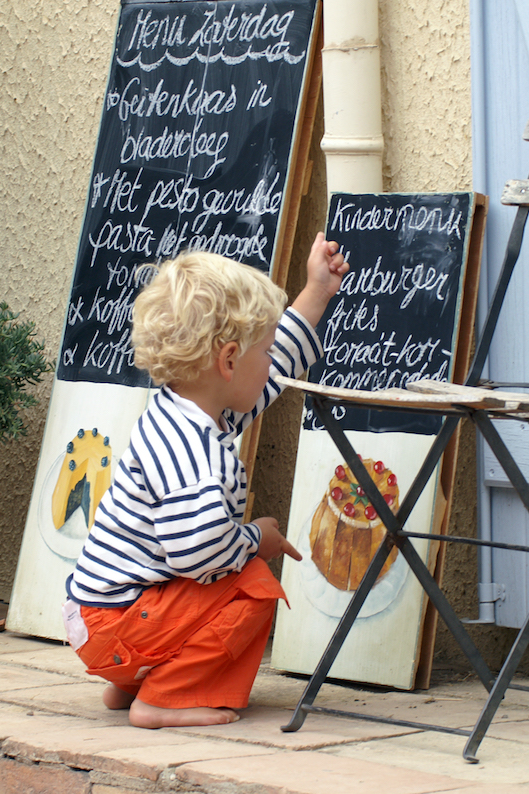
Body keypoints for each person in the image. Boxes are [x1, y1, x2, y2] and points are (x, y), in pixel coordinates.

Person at [63, 232, 348, 729]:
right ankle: (165, 697)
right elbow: (199, 555)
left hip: (99, 616)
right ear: (230, 360)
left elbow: (275, 367)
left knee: (213, 581)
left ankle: (129, 684)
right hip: (114, 627)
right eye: (262, 351)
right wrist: (258, 539)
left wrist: (317, 291)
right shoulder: (199, 455)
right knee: (253, 587)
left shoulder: (186, 409)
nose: (270, 362)